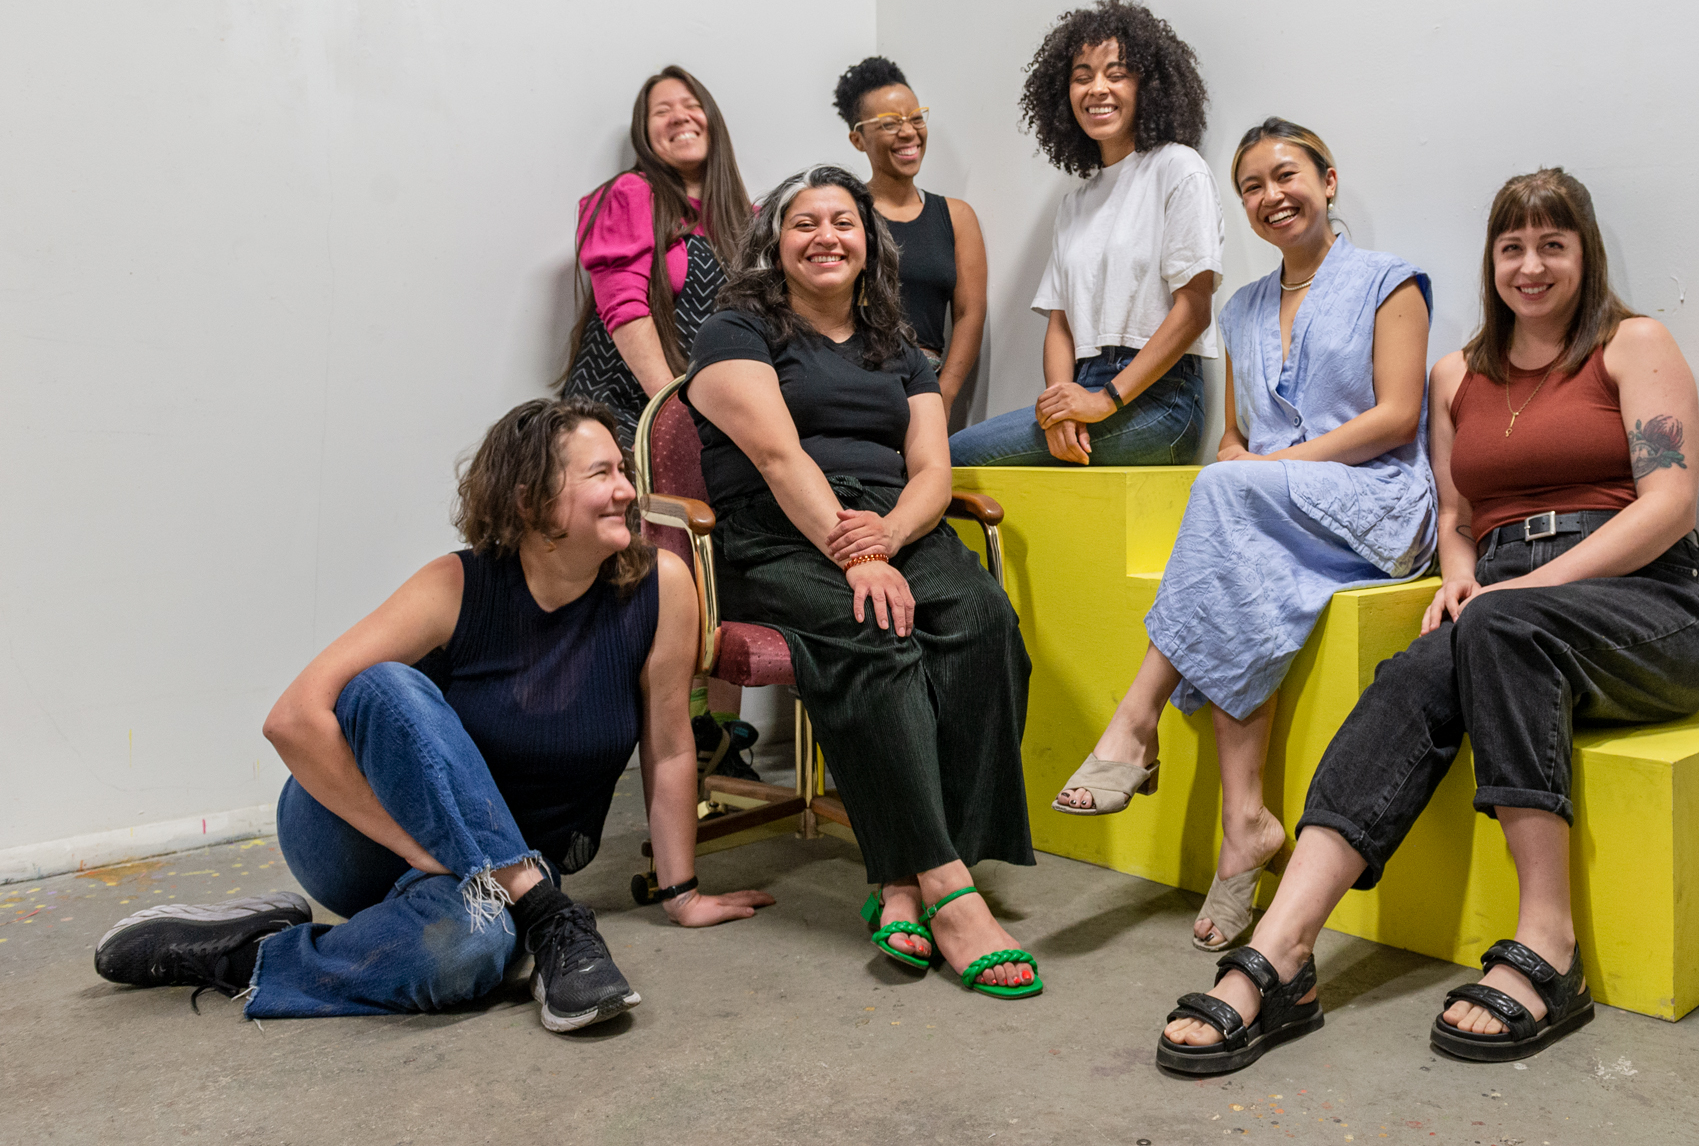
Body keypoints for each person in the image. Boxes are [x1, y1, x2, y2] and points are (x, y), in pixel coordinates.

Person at [1152, 168, 1699, 1074]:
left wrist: (1523, 594)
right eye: (1513, 247)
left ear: (1585, 252)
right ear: (1491, 260)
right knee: (1414, 668)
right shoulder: (1458, 373)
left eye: (1553, 245)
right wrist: (1465, 578)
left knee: (1498, 631)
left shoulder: (1632, 343)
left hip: (1655, 608)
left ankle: (1551, 947)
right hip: (1509, 610)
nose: (1531, 266)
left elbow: (1668, 503)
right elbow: (1459, 518)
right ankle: (1279, 957)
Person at [93, 400, 773, 1032]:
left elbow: (670, 745)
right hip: (356, 837)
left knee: (467, 955)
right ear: (530, 499)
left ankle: (250, 952)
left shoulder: (661, 586)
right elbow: (292, 717)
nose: (628, 488)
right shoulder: (456, 586)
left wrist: (681, 891)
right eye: (603, 473)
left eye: (623, 469)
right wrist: (430, 848)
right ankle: (545, 911)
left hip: (493, 871)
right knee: (386, 685)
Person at [1053, 119, 1436, 954]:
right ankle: (1247, 826)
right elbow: (1233, 438)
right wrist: (1251, 467)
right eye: (1253, 187)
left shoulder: (1389, 282)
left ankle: (1134, 720)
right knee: (1242, 583)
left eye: (1287, 175)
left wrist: (1271, 465)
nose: (1272, 196)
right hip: (1275, 510)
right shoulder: (1242, 307)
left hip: (1379, 503)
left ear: (1329, 181)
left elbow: (1398, 415)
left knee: (1229, 495)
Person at [683, 164, 1041, 998]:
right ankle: (951, 890)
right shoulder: (735, 329)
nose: (825, 237)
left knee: (984, 622)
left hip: (889, 520)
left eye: (842, 221)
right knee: (877, 637)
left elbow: (932, 468)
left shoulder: (900, 346)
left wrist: (892, 534)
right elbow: (775, 456)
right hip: (778, 529)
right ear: (775, 241)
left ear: (867, 241)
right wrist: (857, 556)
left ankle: (901, 876)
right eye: (804, 223)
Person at [949, 0, 1219, 467]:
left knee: (956, 455)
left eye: (1116, 73)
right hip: (1082, 387)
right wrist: (1061, 406)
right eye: (1082, 76)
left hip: (1161, 400)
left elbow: (1194, 310)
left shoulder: (1179, 168)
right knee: (949, 455)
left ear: (1147, 85)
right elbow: (1060, 324)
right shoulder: (1076, 203)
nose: (1097, 88)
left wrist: (1105, 400)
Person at [561, 65, 755, 446]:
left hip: (711, 416)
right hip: (622, 413)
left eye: (690, 104)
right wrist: (673, 415)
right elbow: (624, 308)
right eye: (662, 111)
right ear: (644, 134)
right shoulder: (629, 193)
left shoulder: (746, 219)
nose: (679, 116)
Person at [833, 56, 988, 430]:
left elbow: (970, 314)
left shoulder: (956, 216)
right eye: (889, 124)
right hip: (851, 384)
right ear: (858, 139)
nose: (908, 132)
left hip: (925, 388)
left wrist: (944, 395)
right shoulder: (845, 215)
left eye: (916, 118)